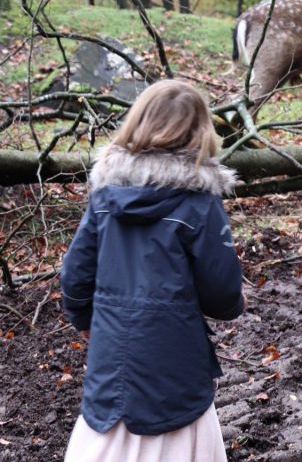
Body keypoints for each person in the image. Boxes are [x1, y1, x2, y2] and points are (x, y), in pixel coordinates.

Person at [61, 79, 244, 461]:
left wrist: (87, 320)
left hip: (111, 356)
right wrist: (229, 306)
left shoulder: (105, 197)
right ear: (200, 131)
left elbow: (75, 277)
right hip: (176, 362)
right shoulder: (199, 203)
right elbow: (222, 293)